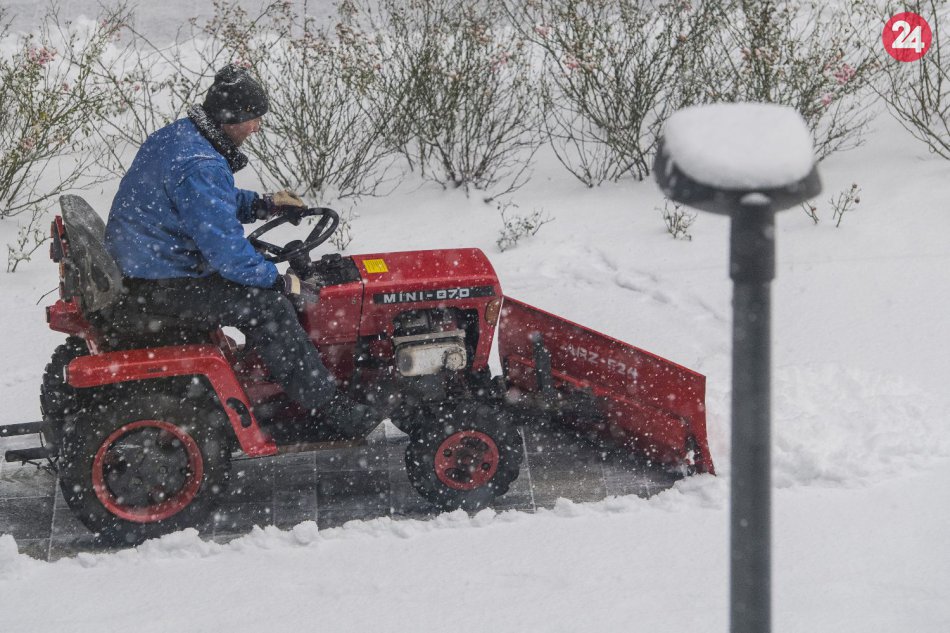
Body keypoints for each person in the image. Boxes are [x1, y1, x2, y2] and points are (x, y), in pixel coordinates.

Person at [104, 64, 374, 438]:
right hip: (161, 281)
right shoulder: (200, 164)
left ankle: (277, 379)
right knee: (270, 307)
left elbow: (209, 202)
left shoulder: (179, 137)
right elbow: (227, 254)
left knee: (265, 286)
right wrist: (278, 282)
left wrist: (263, 205)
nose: (257, 128)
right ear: (231, 118)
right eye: (254, 119)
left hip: (150, 264)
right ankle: (328, 406)